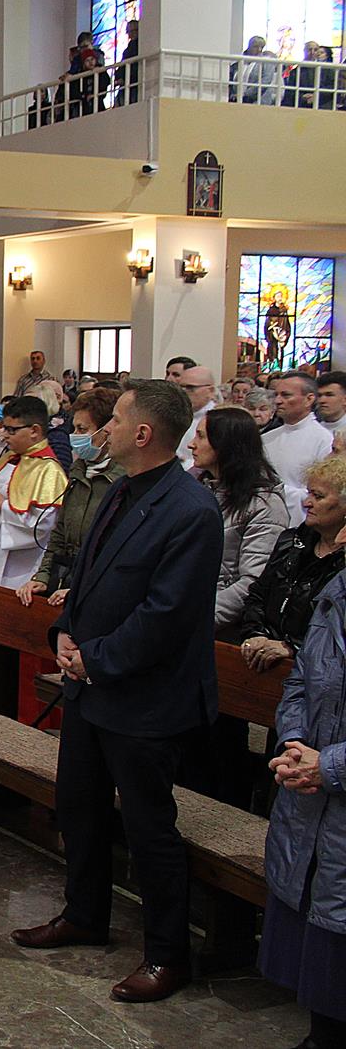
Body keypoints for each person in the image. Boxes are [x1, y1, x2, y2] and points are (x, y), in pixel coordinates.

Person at [12, 380, 223, 1005]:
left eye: (118, 419)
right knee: (78, 805)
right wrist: (64, 630)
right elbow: (86, 572)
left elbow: (168, 613)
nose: (103, 429)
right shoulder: (119, 488)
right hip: (92, 684)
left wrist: (94, 660)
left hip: (145, 697)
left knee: (149, 825)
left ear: (144, 434)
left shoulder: (190, 511)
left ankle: (166, 954)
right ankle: (85, 914)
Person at [259, 517, 346, 1049]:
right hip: (315, 804)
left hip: (332, 786)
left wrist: (328, 765)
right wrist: (293, 741)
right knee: (324, 963)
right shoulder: (337, 592)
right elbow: (301, 679)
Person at [235, 457, 346, 671]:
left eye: (318, 496)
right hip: (263, 653)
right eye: (309, 493)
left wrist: (293, 647)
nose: (306, 503)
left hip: (319, 669)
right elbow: (258, 594)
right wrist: (256, 633)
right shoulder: (291, 542)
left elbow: (337, 631)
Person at [18, 387, 125, 607]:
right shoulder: (78, 471)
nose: (74, 436)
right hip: (65, 573)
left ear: (107, 431)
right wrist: (42, 576)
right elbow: (59, 532)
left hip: (94, 587)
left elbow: (115, 550)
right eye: (74, 428)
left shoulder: (121, 481)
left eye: (82, 429)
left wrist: (81, 589)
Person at [192, 407, 289, 636]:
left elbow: (252, 582)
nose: (191, 445)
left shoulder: (264, 505)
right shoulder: (199, 489)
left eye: (201, 436)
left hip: (214, 623)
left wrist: (193, 619)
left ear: (224, 444)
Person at [0, 395, 66, 588]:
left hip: (18, 565)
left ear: (34, 431)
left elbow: (42, 526)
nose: (5, 435)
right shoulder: (8, 458)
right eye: (4, 428)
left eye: (11, 430)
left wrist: (0, 504)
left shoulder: (49, 471)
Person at [264, 372, 335, 522]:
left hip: (299, 521)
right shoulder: (266, 438)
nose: (277, 401)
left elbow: (322, 493)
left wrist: (274, 491)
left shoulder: (324, 440)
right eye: (276, 395)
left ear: (309, 399)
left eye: (286, 395)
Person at [175, 365, 219, 468]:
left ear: (210, 390)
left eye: (190, 388)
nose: (183, 392)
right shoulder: (173, 414)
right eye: (180, 387)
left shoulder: (218, 419)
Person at [118, 19, 140, 105]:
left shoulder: (138, 46)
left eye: (133, 31)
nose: (130, 34)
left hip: (134, 81)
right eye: (129, 31)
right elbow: (122, 64)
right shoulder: (128, 49)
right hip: (126, 82)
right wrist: (119, 76)